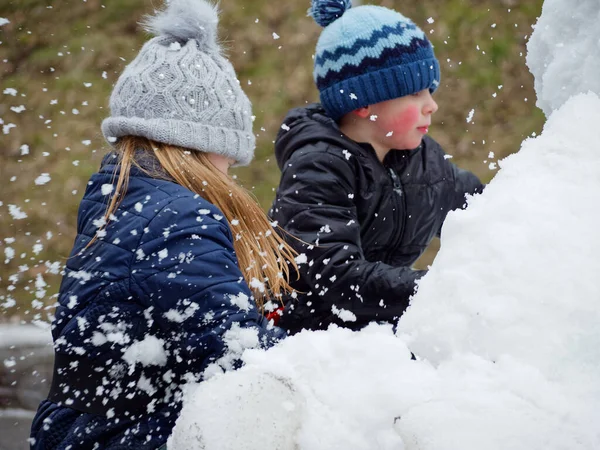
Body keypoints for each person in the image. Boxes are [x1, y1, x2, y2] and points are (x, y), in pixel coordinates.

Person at [29, 1, 297, 449]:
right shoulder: (179, 217)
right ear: (195, 143)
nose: (230, 166)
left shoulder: (118, 199)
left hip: (83, 430)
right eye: (226, 151)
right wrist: (334, 359)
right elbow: (235, 351)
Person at [270, 0, 484, 334]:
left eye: (431, 90)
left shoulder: (425, 162)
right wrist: (435, 288)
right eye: (415, 93)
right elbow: (337, 278)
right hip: (307, 340)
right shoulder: (319, 167)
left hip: (381, 333)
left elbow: (486, 210)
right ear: (362, 102)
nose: (432, 105)